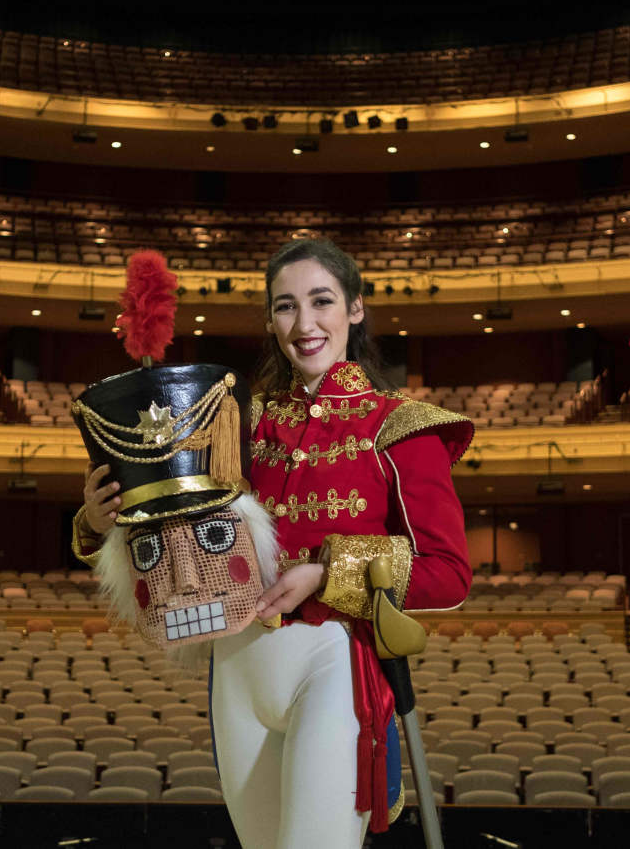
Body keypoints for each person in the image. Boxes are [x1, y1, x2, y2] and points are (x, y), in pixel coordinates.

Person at [79, 238, 471, 848]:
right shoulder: (232, 421)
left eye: (322, 302)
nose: (305, 324)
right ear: (270, 320)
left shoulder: (400, 424)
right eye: (286, 307)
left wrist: (326, 574)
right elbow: (178, 537)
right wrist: (105, 520)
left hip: (333, 663)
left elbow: (447, 574)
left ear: (355, 309)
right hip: (235, 667)